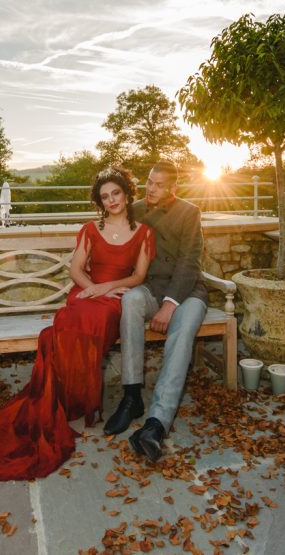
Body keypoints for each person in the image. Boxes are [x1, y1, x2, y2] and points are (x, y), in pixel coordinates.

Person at [0, 166, 154, 482]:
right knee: (71, 317)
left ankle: (77, 396)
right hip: (86, 291)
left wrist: (106, 289)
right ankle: (61, 396)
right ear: (99, 202)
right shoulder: (90, 229)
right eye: (105, 196)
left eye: (116, 193)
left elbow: (138, 276)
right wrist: (91, 288)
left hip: (115, 300)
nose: (112, 200)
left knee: (96, 317)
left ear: (127, 193)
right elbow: (75, 269)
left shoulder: (143, 232)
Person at [103, 161, 208, 463]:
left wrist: (171, 303)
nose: (151, 188)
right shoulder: (134, 209)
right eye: (149, 182)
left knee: (183, 331)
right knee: (131, 300)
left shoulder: (190, 213)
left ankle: (156, 425)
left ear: (174, 187)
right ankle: (132, 395)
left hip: (186, 293)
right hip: (149, 288)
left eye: (159, 184)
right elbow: (110, 235)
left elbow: (190, 262)